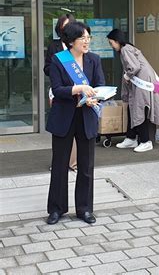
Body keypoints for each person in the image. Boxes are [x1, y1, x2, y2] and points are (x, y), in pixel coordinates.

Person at [45, 21, 105, 225]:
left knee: (86, 166)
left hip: (86, 116)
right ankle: (56, 209)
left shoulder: (94, 60)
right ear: (71, 41)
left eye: (88, 37)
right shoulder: (58, 60)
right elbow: (57, 89)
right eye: (83, 38)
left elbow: (99, 86)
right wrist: (78, 89)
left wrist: (94, 97)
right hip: (64, 116)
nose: (87, 41)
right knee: (60, 164)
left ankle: (85, 209)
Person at [107, 29, 159, 152]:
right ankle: (131, 137)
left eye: (111, 42)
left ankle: (145, 141)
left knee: (140, 109)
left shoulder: (124, 49)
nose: (111, 45)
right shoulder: (128, 48)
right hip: (143, 81)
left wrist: (127, 76)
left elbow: (134, 67)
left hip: (142, 83)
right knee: (132, 108)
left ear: (117, 41)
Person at [44, 13, 77, 172]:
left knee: (76, 127)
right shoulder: (54, 46)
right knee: (60, 128)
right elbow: (47, 68)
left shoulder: (78, 47)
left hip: (77, 92)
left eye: (68, 28)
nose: (65, 31)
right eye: (63, 28)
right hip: (59, 90)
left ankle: (73, 162)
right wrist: (58, 69)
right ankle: (58, 162)